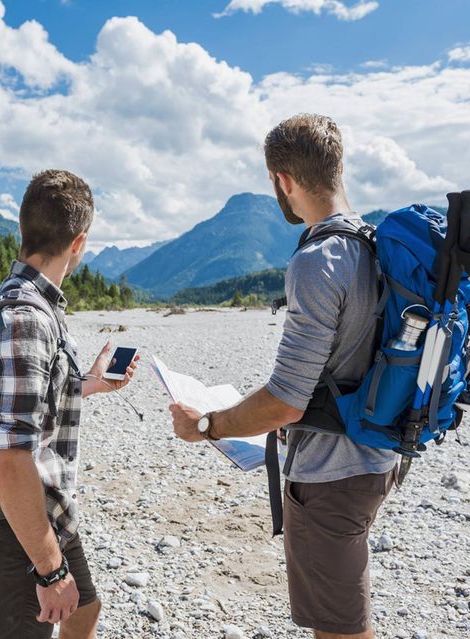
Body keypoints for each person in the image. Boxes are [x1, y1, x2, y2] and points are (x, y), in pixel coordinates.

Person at [169, 114, 397, 639]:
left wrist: (206, 425)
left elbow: (287, 402)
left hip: (331, 473)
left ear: (284, 181)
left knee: (339, 628)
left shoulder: (318, 261)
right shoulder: (376, 245)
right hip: (379, 453)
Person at [0, 169, 139, 639]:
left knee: (84, 607)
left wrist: (85, 385)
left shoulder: (32, 308)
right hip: (16, 520)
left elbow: (21, 402)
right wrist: (49, 571)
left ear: (23, 231)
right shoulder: (24, 319)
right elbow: (8, 454)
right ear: (79, 242)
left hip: (46, 512)